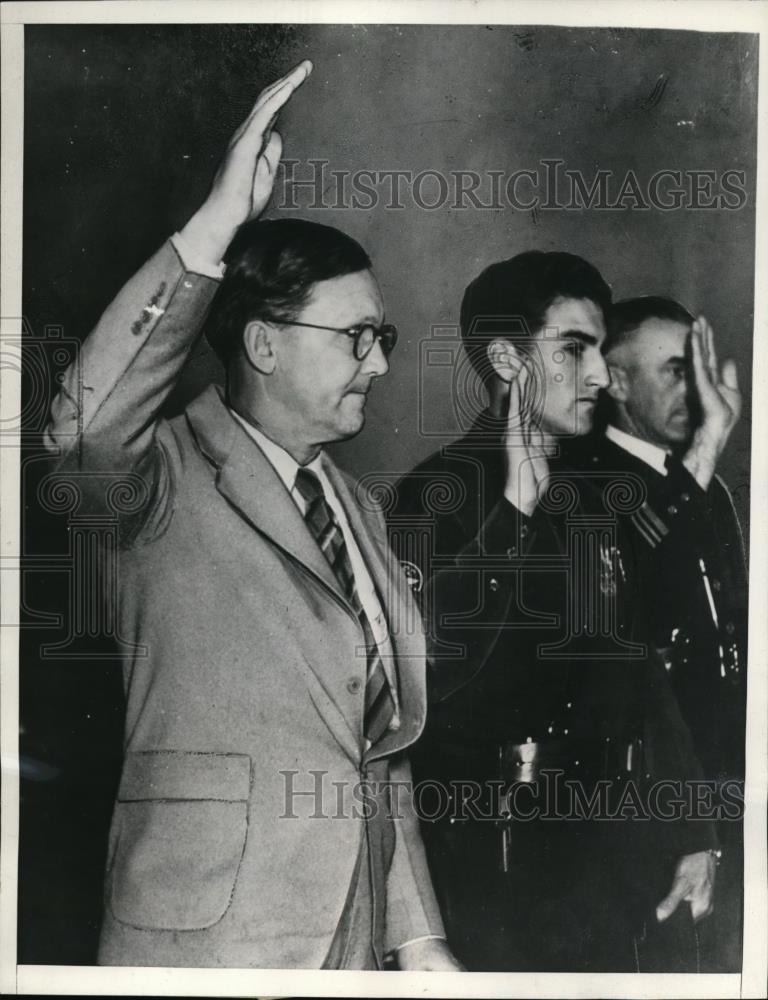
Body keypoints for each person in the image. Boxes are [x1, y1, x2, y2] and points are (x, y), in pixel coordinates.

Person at [43, 61, 461, 971]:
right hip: (210, 942)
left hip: (353, 943)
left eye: (381, 339)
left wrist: (419, 936)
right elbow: (77, 430)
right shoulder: (155, 481)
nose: (379, 364)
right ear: (264, 343)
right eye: (358, 338)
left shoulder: (362, 512)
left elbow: (375, 751)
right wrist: (213, 228)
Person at [388, 252, 718, 972]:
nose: (599, 376)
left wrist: (695, 829)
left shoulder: (594, 493)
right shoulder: (431, 495)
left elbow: (639, 673)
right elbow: (424, 674)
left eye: (601, 352)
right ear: (506, 359)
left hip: (603, 862)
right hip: (486, 868)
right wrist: (514, 511)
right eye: (574, 350)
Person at [568, 296, 746, 970]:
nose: (696, 392)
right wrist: (704, 453)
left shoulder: (705, 487)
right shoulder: (581, 483)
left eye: (699, 371)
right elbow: (625, 615)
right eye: (677, 371)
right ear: (616, 384)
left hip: (721, 786)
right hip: (648, 801)